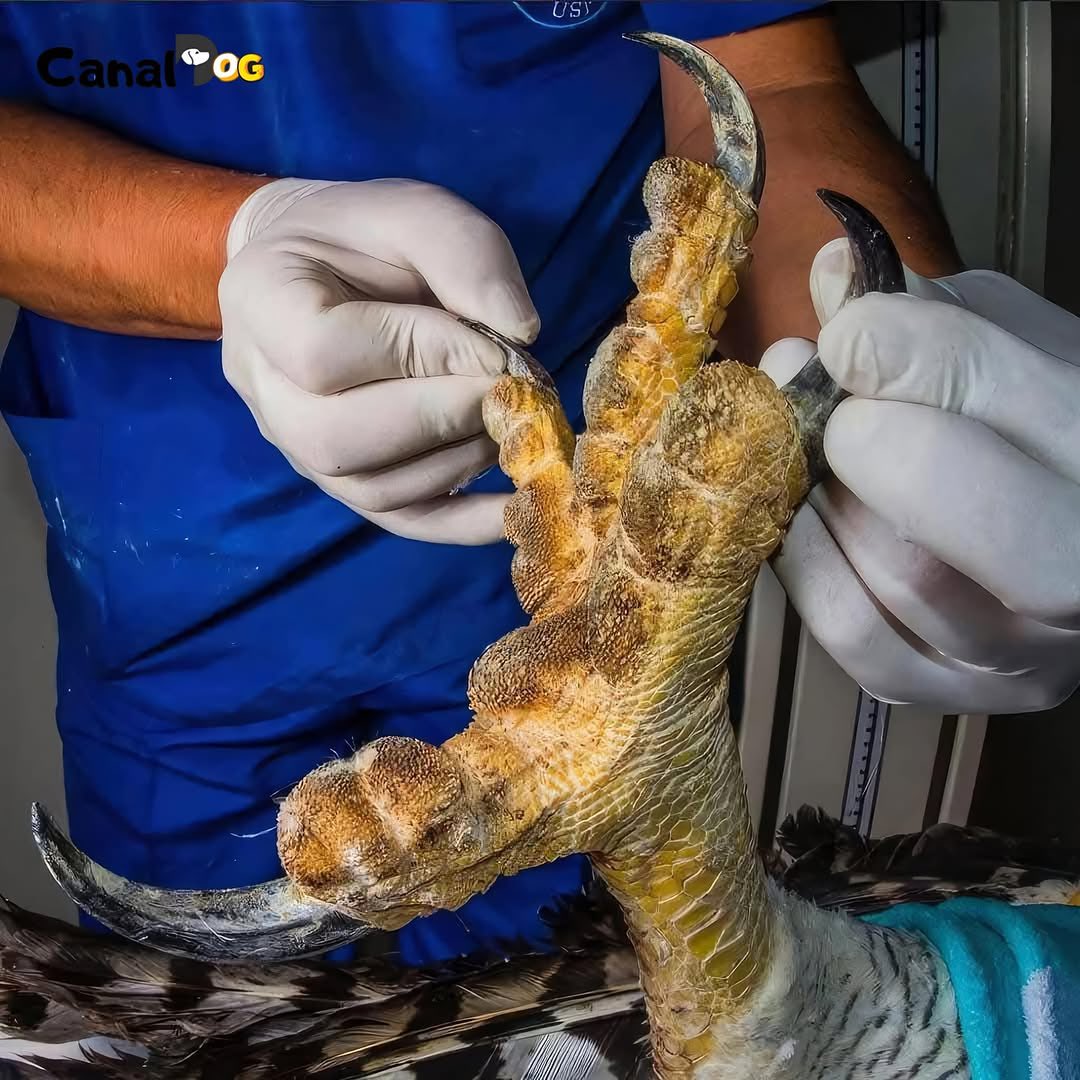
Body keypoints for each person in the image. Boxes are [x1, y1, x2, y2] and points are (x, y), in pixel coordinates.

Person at [0, 1, 1073, 967]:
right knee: (202, 1014)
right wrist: (233, 245)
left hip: (571, 577)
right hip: (168, 582)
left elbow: (772, 81)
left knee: (573, 991)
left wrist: (873, 403)